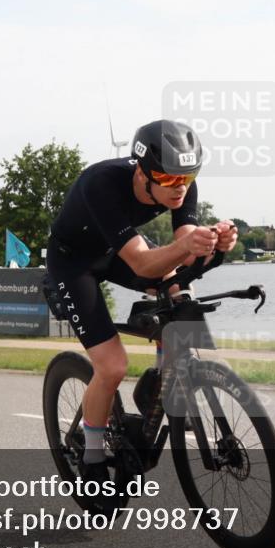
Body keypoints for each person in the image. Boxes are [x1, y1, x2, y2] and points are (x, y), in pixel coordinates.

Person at [45, 119, 237, 484]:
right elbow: (142, 262)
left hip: (114, 250)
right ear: (142, 172)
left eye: (188, 177)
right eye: (167, 180)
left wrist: (213, 246)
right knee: (113, 366)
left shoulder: (181, 187)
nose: (179, 189)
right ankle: (93, 455)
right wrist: (186, 245)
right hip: (74, 262)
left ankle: (163, 378)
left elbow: (184, 257)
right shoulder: (101, 183)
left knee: (178, 296)